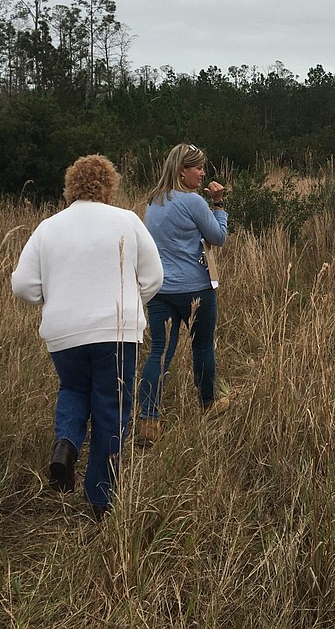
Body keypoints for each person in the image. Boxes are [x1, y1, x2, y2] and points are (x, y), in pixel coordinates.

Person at [11, 154, 163, 520]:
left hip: (64, 334)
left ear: (70, 187)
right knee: (111, 410)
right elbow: (155, 276)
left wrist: (54, 299)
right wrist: (130, 303)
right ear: (110, 185)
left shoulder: (48, 228)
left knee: (73, 390)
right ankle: (99, 499)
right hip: (117, 330)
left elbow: (23, 287)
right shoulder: (126, 220)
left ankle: (65, 445)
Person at [135, 144, 230, 449]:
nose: (203, 173)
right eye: (198, 168)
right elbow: (218, 237)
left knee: (159, 353)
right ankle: (208, 403)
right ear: (181, 171)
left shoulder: (153, 201)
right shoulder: (194, 202)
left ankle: (149, 420)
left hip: (160, 290)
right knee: (202, 347)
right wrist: (219, 205)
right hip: (195, 290)